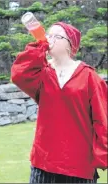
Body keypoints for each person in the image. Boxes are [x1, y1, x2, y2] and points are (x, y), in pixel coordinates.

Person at [11, 22, 107, 183]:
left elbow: (102, 118)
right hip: (43, 162)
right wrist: (40, 46)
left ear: (71, 45)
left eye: (57, 36)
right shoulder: (42, 73)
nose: (50, 39)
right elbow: (19, 74)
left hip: (78, 165)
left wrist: (103, 153)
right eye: (49, 35)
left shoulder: (89, 77)